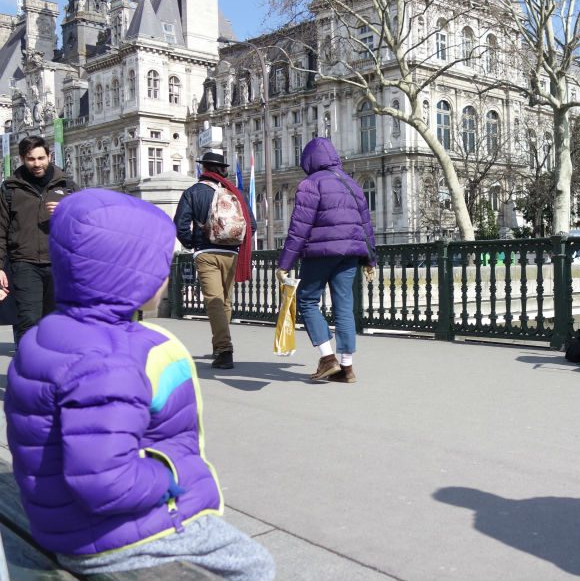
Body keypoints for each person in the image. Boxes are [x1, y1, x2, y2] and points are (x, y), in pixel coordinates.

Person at [4, 189, 274, 580]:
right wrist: (170, 479)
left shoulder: (47, 337)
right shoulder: (111, 360)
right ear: (129, 274)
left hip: (61, 521)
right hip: (110, 538)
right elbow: (104, 481)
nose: (165, 277)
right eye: (158, 266)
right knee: (254, 565)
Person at [276, 138, 376, 384]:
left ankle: (327, 357)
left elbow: (299, 227)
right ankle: (347, 368)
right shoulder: (353, 184)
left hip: (320, 253)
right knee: (344, 307)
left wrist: (285, 263)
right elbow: (366, 226)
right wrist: (370, 260)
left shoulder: (310, 184)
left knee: (308, 300)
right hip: (350, 254)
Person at [173, 152, 255, 369]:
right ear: (223, 170)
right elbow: (252, 225)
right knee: (225, 301)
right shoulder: (236, 192)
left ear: (203, 169)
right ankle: (219, 345)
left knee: (214, 301)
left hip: (206, 253)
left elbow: (180, 224)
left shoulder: (193, 192)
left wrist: (192, 243)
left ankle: (224, 350)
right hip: (233, 253)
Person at [0, 135, 77, 344]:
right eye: (31, 159)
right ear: (22, 159)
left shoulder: (68, 186)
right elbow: (1, 229)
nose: (37, 164)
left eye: (41, 158)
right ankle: (27, 368)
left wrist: (66, 212)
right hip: (24, 263)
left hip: (58, 262)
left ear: (49, 156)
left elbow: (85, 225)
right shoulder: (10, 188)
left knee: (55, 321)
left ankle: (49, 368)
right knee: (29, 320)